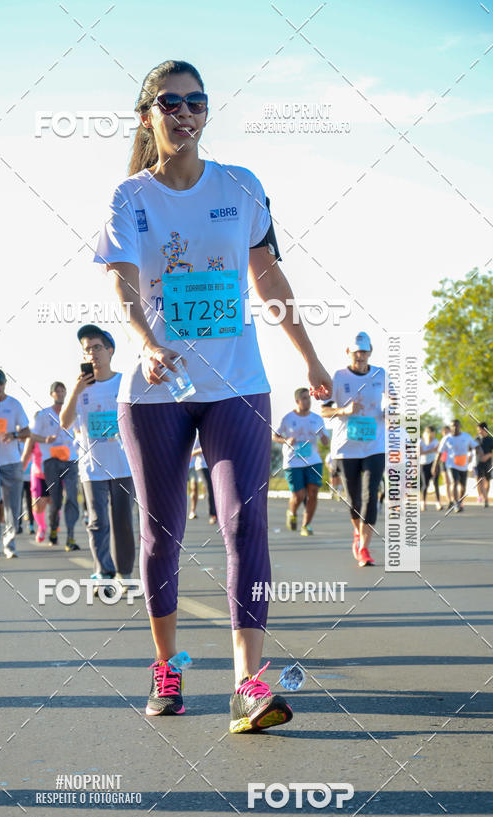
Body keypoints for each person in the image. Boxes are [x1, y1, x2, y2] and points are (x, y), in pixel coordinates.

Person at [93, 59, 332, 733]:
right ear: (148, 114)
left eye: (196, 101)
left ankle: (248, 685)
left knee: (243, 523)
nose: (185, 111)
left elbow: (268, 276)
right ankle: (167, 668)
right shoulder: (130, 196)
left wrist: (309, 355)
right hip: (156, 389)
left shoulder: (241, 186)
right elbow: (122, 282)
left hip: (238, 384)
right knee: (162, 533)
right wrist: (144, 339)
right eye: (170, 101)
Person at [60, 324, 136, 588]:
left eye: (97, 348)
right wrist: (75, 392)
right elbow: (65, 423)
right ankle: (103, 570)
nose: (92, 354)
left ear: (110, 350)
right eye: (87, 350)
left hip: (124, 465)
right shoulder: (80, 389)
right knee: (97, 521)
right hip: (92, 468)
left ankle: (123, 574)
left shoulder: (124, 382)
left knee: (122, 522)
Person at [321, 331, 386, 567]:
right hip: (346, 448)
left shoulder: (381, 374)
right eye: (356, 351)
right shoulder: (338, 377)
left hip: (375, 445)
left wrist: (391, 412)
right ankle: (357, 533)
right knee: (354, 500)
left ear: (370, 352)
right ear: (348, 352)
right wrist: (344, 411)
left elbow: (394, 401)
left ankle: (364, 548)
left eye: (364, 351)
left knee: (371, 496)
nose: (360, 355)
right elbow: (324, 411)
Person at [27, 382, 80, 550]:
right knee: (55, 501)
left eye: (63, 390)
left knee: (72, 497)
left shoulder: (73, 413)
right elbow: (32, 435)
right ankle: (53, 529)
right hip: (51, 462)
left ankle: (70, 537)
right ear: (52, 394)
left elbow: (80, 432)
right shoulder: (43, 415)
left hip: (70, 461)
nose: (60, 393)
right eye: (57, 391)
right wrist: (45, 440)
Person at [273, 387, 329, 536]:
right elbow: (274, 436)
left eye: (308, 398)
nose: (307, 401)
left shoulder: (316, 419)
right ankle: (292, 512)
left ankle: (306, 525)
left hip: (313, 459)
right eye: (304, 398)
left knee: (313, 492)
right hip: (293, 461)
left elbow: (325, 440)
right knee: (299, 495)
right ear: (297, 401)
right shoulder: (288, 418)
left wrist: (323, 437)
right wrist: (286, 440)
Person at [0, 369, 30, 558]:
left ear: (4, 385)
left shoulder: (14, 405)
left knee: (13, 507)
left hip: (12, 463)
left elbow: (27, 432)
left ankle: (9, 544)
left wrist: (14, 435)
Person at [433, 418, 477, 513]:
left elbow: (475, 446)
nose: (455, 427)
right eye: (453, 425)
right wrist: (435, 465)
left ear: (460, 426)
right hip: (451, 464)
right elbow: (439, 453)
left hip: (463, 465)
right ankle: (456, 503)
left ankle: (459, 501)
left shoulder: (466, 436)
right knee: (454, 482)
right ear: (451, 427)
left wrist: (480, 452)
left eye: (456, 425)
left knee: (463, 487)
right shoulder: (446, 438)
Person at [21, 439, 50, 543]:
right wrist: (18, 473)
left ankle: (54, 527)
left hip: (54, 473)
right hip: (37, 474)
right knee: (37, 504)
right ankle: (41, 527)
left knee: (54, 503)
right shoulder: (33, 437)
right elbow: (26, 456)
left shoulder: (56, 432)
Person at [188, 432, 217, 523]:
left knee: (215, 488)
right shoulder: (199, 435)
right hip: (201, 466)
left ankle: (217, 512)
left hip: (213, 465)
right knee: (209, 487)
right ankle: (212, 514)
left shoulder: (215, 434)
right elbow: (192, 452)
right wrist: (203, 449)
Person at [420, 426, 441, 511]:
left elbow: (439, 451)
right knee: (425, 485)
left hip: (434, 463)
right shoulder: (421, 441)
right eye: (429, 432)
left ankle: (438, 503)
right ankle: (423, 503)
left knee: (436, 483)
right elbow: (420, 453)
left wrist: (434, 450)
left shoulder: (436, 441)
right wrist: (432, 450)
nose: (432, 434)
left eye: (433, 433)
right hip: (424, 464)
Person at [475, 422, 492, 508]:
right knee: (479, 480)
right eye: (478, 430)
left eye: (480, 430)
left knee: (487, 481)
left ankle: (485, 496)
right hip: (478, 463)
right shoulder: (476, 439)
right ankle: (483, 497)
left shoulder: (490, 439)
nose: (479, 432)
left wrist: (488, 455)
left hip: (488, 463)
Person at [437, 425, 453, 505]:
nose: (446, 433)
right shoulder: (441, 441)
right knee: (447, 483)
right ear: (442, 433)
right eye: (445, 432)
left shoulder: (453, 440)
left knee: (454, 482)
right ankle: (449, 501)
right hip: (443, 462)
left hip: (452, 463)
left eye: (448, 431)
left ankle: (455, 499)